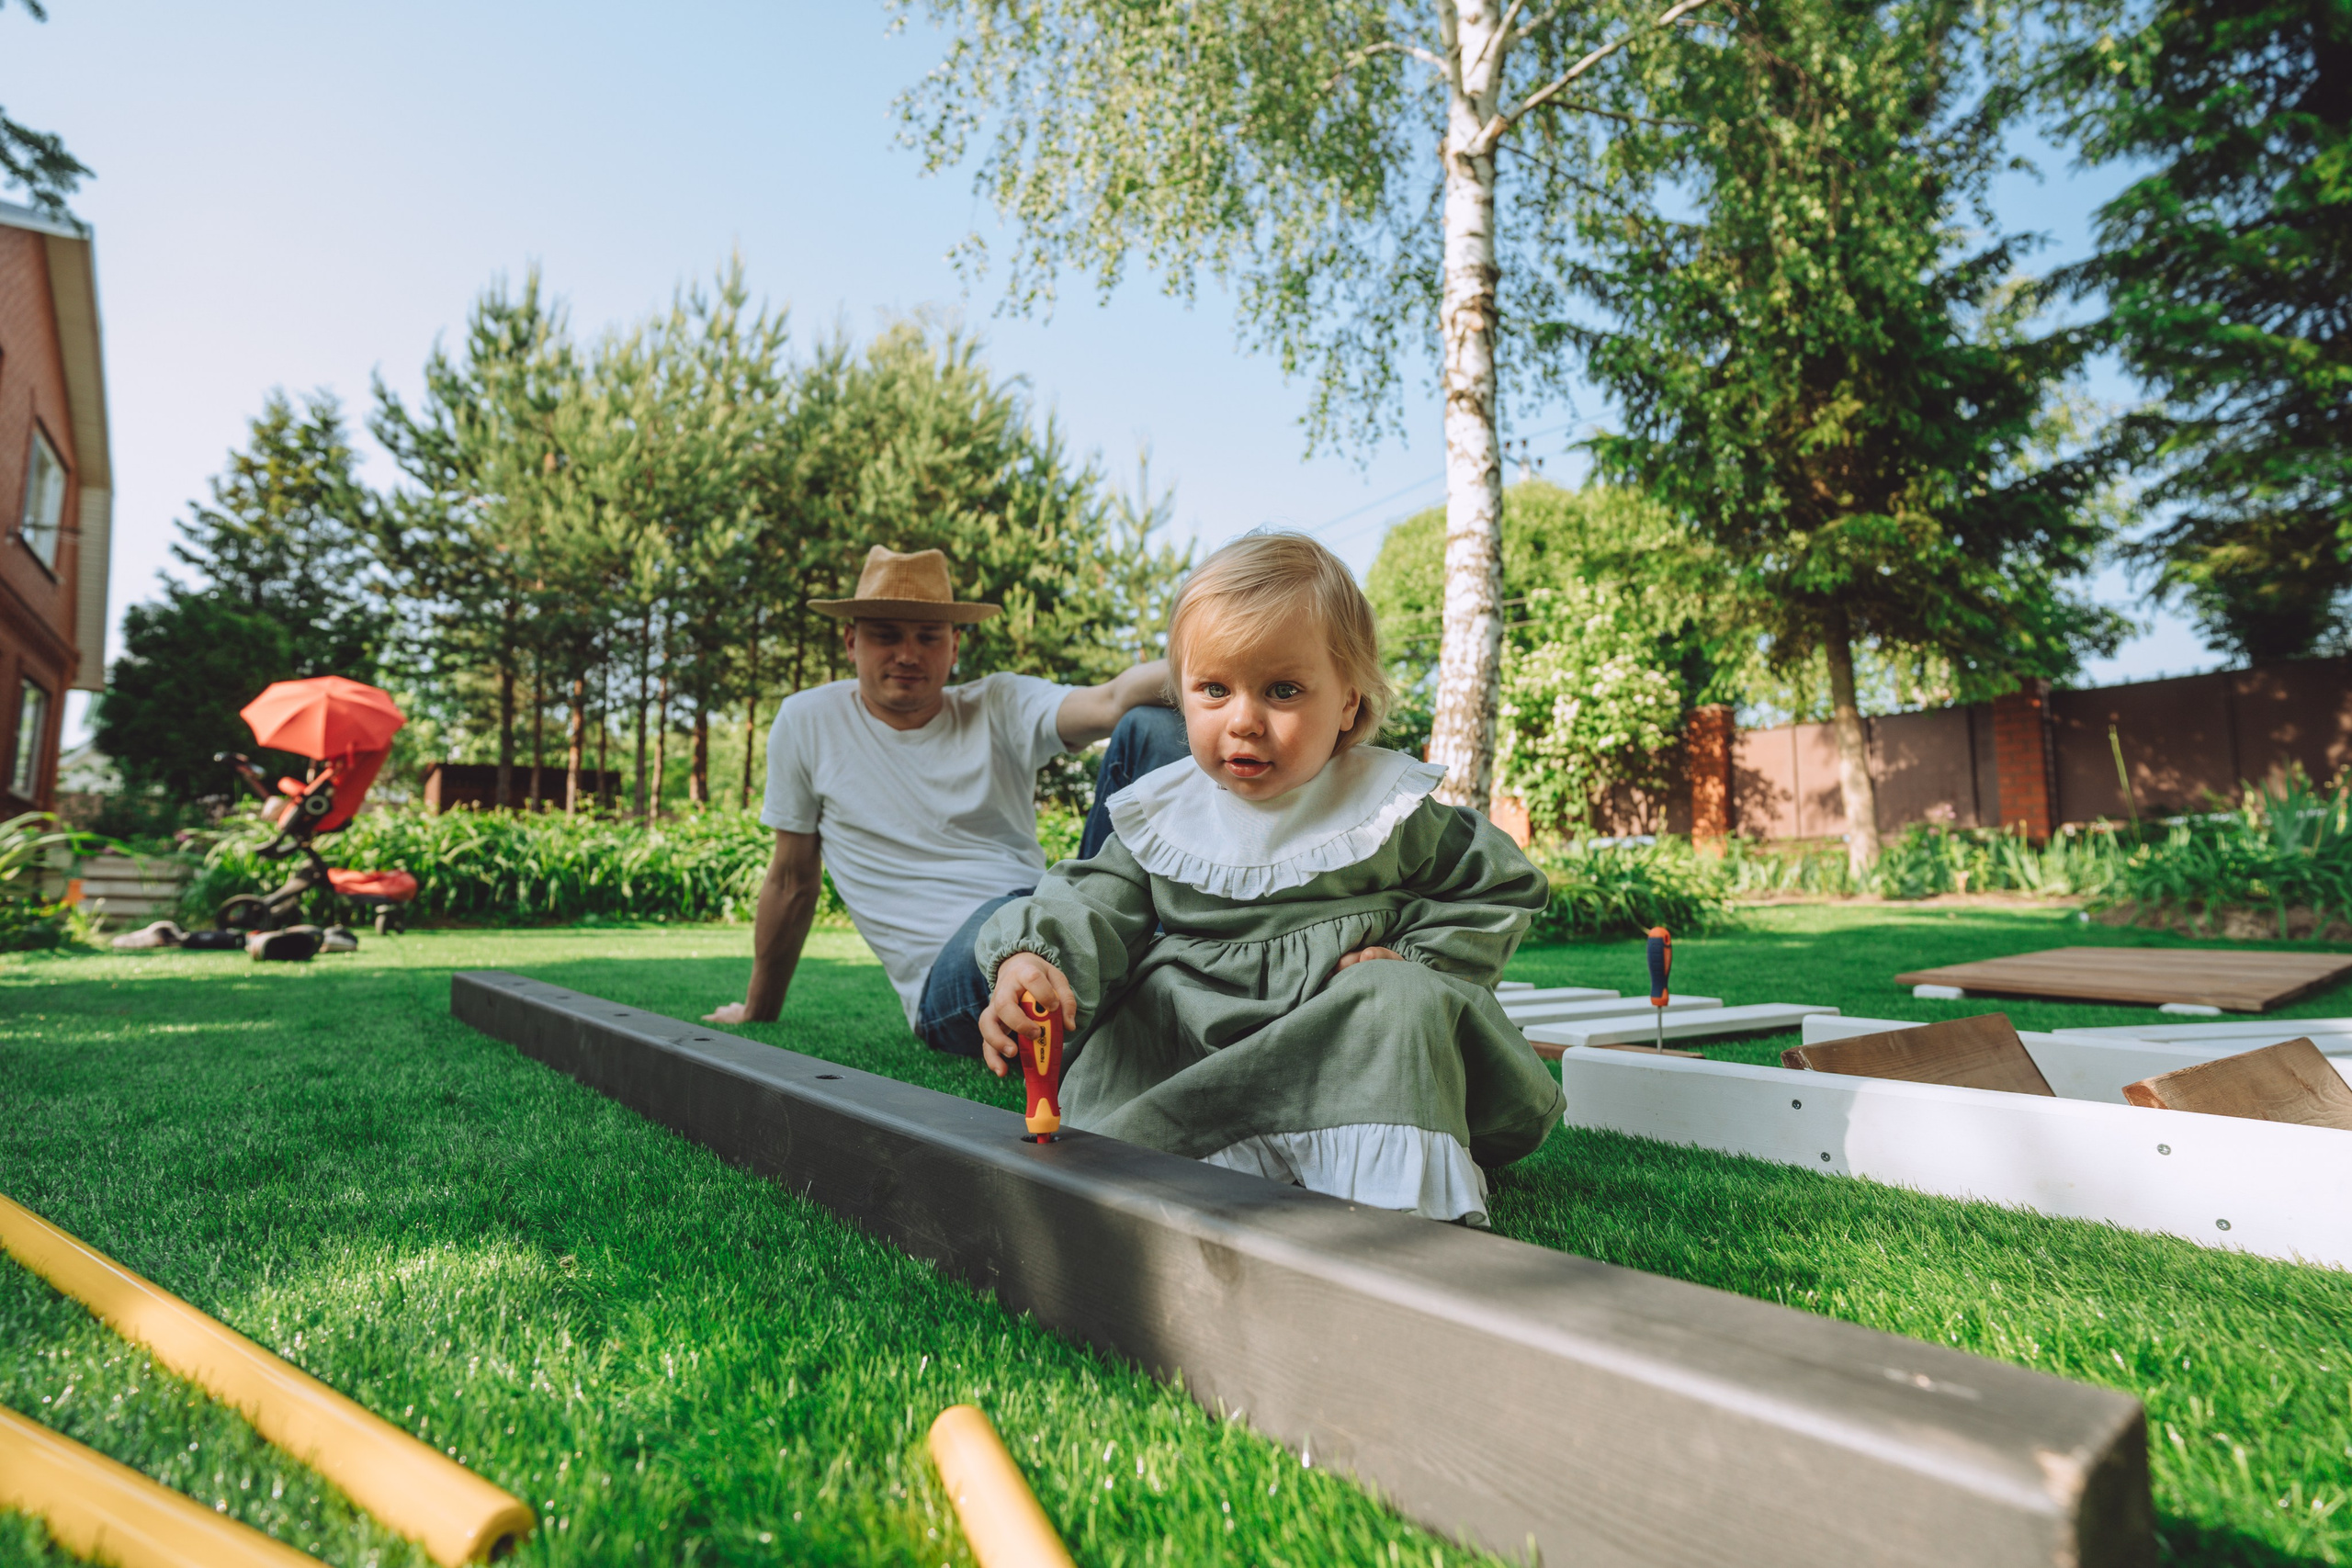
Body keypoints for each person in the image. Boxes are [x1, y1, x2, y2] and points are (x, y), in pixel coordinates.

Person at [971, 532, 1566, 1226]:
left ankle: (1384, 1186)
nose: (1244, 720)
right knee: (1146, 1007)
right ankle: (1194, 1160)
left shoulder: (1384, 807)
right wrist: (1032, 960)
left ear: (1347, 702)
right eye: (1215, 689)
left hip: (1346, 1043)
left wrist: (1418, 957)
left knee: (1396, 998)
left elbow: (1498, 882)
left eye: (1283, 690)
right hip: (1196, 1047)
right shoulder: (1164, 812)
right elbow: (1090, 901)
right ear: (1182, 697)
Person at [705, 545, 1187, 1057]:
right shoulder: (807, 722)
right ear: (851, 641)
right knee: (1023, 919)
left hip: (1052, 908)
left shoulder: (997, 703)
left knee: (1152, 726)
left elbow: (1113, 699)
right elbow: (791, 878)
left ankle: (1191, 948)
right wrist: (759, 1007)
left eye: (928, 637)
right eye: (886, 636)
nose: (908, 654)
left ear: (954, 646)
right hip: (948, 972)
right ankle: (1144, 973)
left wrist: (1231, 677)